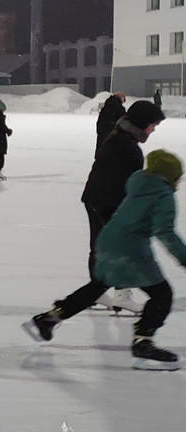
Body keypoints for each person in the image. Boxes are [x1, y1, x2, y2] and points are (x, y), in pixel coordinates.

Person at [25, 150, 186, 370]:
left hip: (108, 240)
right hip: (130, 250)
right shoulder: (163, 195)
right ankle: (143, 344)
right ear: (168, 176)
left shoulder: (140, 184)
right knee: (162, 295)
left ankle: (48, 319)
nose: (179, 180)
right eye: (178, 176)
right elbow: (165, 232)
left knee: (98, 286)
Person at [71, 100, 167, 313]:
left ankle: (96, 294)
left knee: (99, 246)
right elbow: (128, 185)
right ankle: (121, 295)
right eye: (152, 124)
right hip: (108, 202)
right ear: (142, 122)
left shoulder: (118, 136)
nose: (152, 129)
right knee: (121, 249)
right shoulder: (127, 146)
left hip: (94, 198)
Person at [95, 92, 126, 157]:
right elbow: (123, 121)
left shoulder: (107, 106)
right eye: (123, 97)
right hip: (113, 132)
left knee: (102, 148)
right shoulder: (119, 108)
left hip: (102, 130)